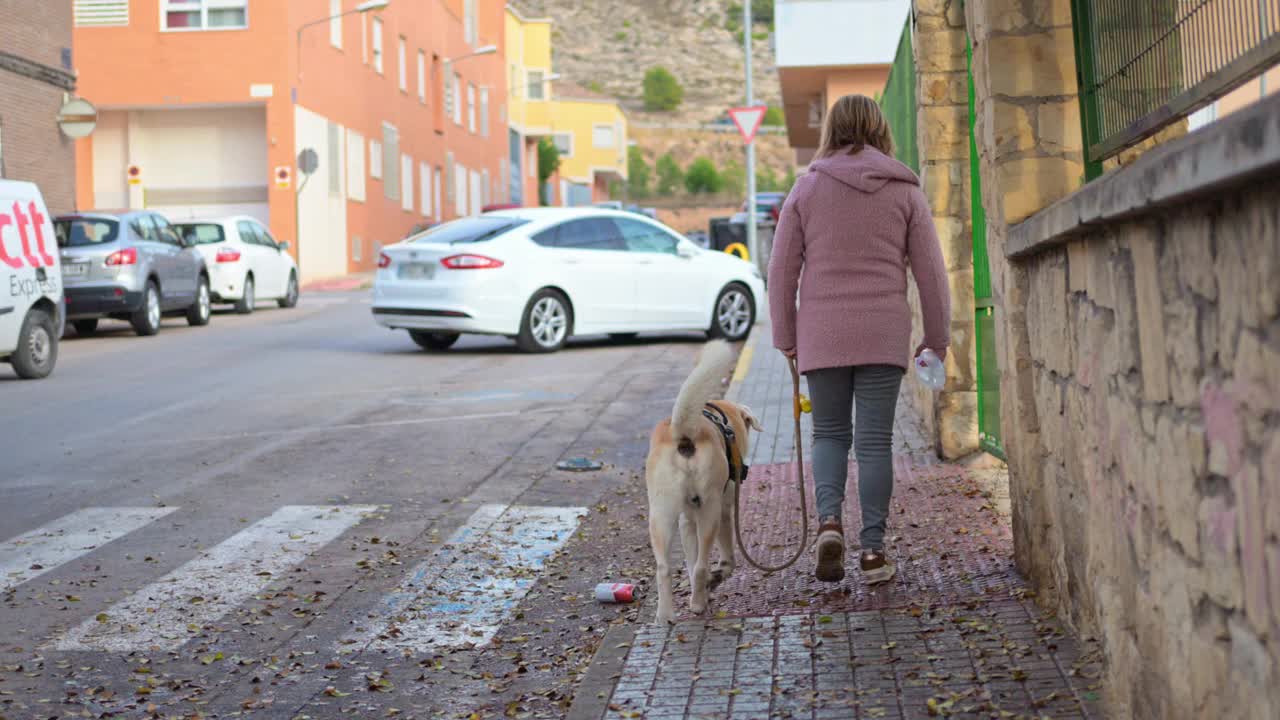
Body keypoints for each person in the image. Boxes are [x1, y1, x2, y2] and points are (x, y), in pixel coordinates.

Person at [767, 94, 951, 584]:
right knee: (873, 443)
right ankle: (872, 551)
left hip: (822, 334)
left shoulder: (806, 188)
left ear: (832, 130)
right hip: (883, 332)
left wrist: (786, 336)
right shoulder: (904, 190)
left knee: (828, 433)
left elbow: (781, 270)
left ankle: (829, 523)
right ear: (879, 128)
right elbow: (932, 273)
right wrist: (937, 337)